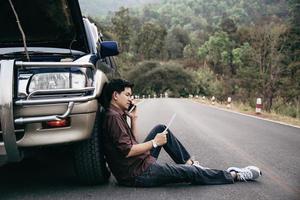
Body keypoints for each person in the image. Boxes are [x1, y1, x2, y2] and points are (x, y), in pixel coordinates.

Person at [102, 79, 262, 187]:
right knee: (190, 173)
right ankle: (234, 175)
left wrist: (134, 119)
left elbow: (133, 144)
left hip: (138, 164)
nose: (131, 99)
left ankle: (192, 164)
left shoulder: (117, 114)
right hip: (137, 174)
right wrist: (154, 143)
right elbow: (129, 151)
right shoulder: (113, 117)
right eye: (127, 95)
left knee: (161, 128)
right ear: (115, 95)